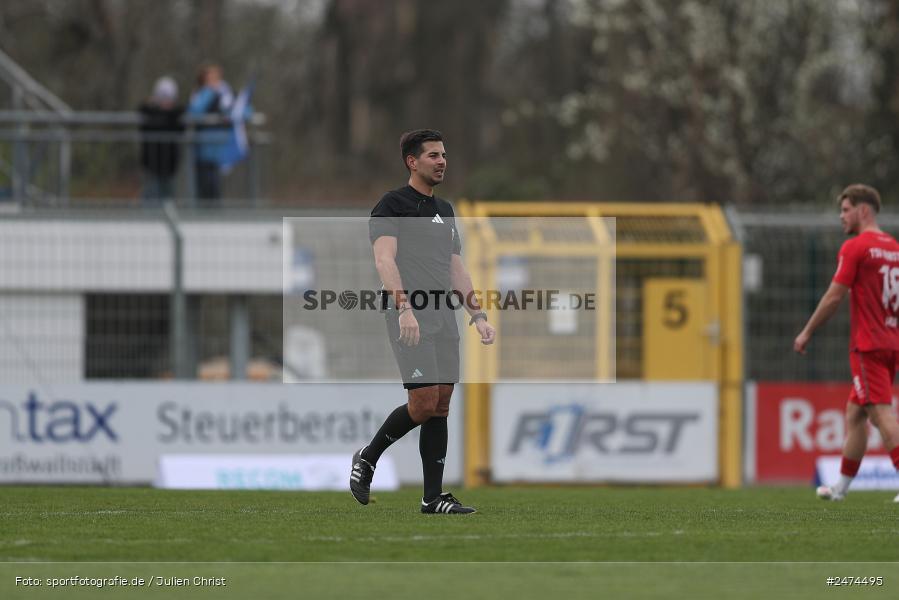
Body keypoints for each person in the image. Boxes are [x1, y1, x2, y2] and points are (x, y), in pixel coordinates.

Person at [350, 129, 496, 514]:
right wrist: (404, 309)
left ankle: (432, 498)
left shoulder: (445, 210)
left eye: (444, 155)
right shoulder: (392, 204)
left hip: (443, 314)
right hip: (410, 314)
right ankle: (368, 456)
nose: (442, 161)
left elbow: (455, 268)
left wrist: (478, 314)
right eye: (433, 155)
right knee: (423, 402)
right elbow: (384, 259)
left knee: (441, 404)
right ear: (412, 162)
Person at [794, 184, 899, 502]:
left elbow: (834, 296)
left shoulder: (856, 247)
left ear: (863, 210)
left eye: (845, 209)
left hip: (867, 346)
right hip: (891, 341)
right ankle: (840, 488)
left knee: (880, 414)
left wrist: (807, 331)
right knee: (855, 414)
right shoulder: (894, 247)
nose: (841, 216)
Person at [187, 63, 233, 205]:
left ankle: (217, 214)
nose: (214, 82)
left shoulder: (226, 94)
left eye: (216, 78)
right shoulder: (200, 94)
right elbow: (194, 112)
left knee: (217, 188)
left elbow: (239, 110)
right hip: (203, 149)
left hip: (221, 150)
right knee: (205, 186)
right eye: (210, 78)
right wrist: (209, 92)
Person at [138, 77, 184, 204]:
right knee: (150, 195)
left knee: (168, 196)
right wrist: (154, 106)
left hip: (169, 163)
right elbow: (143, 111)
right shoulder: (149, 112)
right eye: (163, 97)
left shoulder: (176, 115)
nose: (166, 101)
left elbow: (180, 119)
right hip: (151, 163)